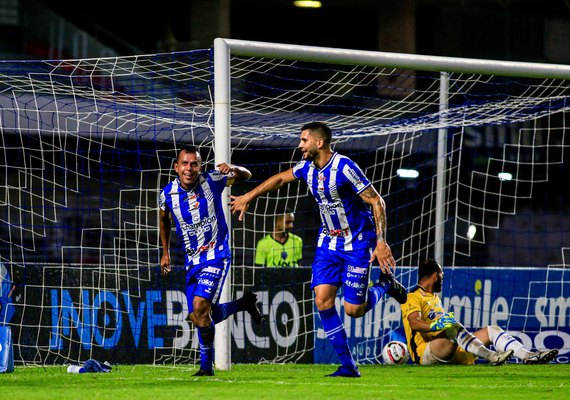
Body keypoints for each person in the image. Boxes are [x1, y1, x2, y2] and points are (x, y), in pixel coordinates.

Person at [230, 121, 407, 378]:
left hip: (357, 243)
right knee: (322, 301)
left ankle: (385, 286)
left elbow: (376, 201)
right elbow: (280, 179)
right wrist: (248, 196)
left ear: (319, 142)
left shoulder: (344, 167)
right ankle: (349, 366)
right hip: (328, 244)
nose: (299, 145)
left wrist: (381, 242)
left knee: (353, 310)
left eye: (304, 140)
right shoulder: (306, 169)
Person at [159, 146, 264, 376]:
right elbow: (164, 219)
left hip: (216, 255)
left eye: (194, 164)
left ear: (200, 166)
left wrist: (234, 168)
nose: (189, 168)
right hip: (191, 261)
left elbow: (247, 176)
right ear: (176, 167)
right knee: (198, 316)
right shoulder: (167, 194)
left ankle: (206, 368)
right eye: (184, 164)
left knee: (199, 308)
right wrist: (165, 251)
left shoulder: (212, 180)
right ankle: (243, 304)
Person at [401, 258, 559, 366]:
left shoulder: (434, 298)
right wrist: (435, 325)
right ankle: (492, 356)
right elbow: (414, 323)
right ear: (435, 276)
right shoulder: (412, 296)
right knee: (453, 327)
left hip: (449, 349)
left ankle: (528, 356)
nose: (442, 279)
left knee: (492, 330)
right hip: (425, 353)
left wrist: (442, 327)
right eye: (442, 276)